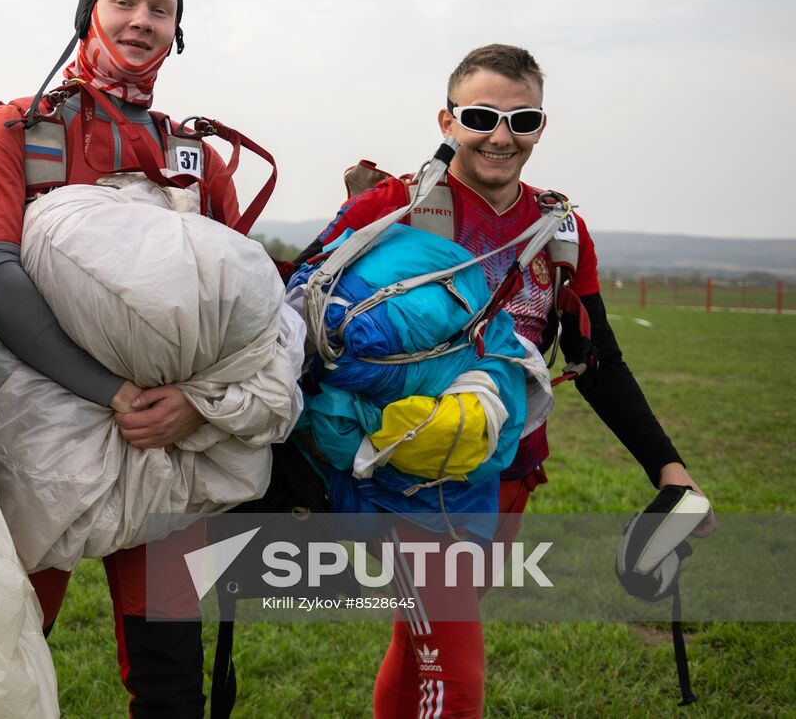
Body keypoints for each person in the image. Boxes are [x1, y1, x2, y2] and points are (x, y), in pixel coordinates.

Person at [297, 43, 715, 718]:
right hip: (418, 474)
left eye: (521, 120)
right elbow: (301, 310)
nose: (500, 135)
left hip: (514, 464)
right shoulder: (397, 204)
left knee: (425, 642)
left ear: (541, 127)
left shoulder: (560, 230)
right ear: (447, 119)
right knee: (456, 679)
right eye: (483, 115)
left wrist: (668, 467)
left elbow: (597, 359)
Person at [0, 0, 242, 718]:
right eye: (125, 2)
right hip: (32, 440)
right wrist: (109, 389)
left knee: (170, 677)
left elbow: (242, 316)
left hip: (168, 441)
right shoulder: (16, 130)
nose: (142, 20)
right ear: (89, 13)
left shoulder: (197, 158)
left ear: (177, 31)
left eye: (161, 9)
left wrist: (197, 402)